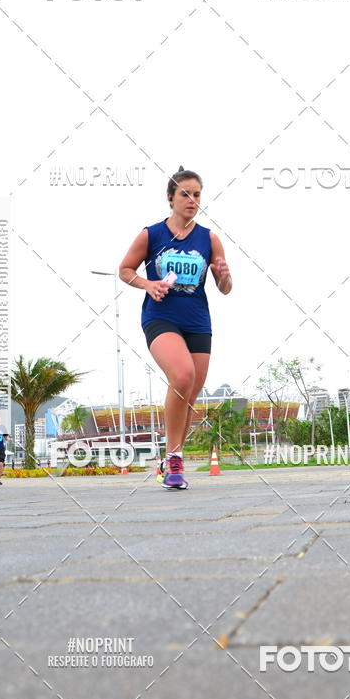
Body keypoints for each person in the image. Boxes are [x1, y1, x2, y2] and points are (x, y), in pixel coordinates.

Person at [119, 167, 232, 490]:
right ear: (170, 197)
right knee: (182, 376)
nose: (192, 200)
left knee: (190, 392)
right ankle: (174, 458)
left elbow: (225, 288)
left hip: (198, 320)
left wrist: (223, 274)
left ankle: (169, 459)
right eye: (185, 193)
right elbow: (125, 269)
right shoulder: (151, 234)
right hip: (161, 317)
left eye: (197, 195)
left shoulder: (209, 238)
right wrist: (147, 283)